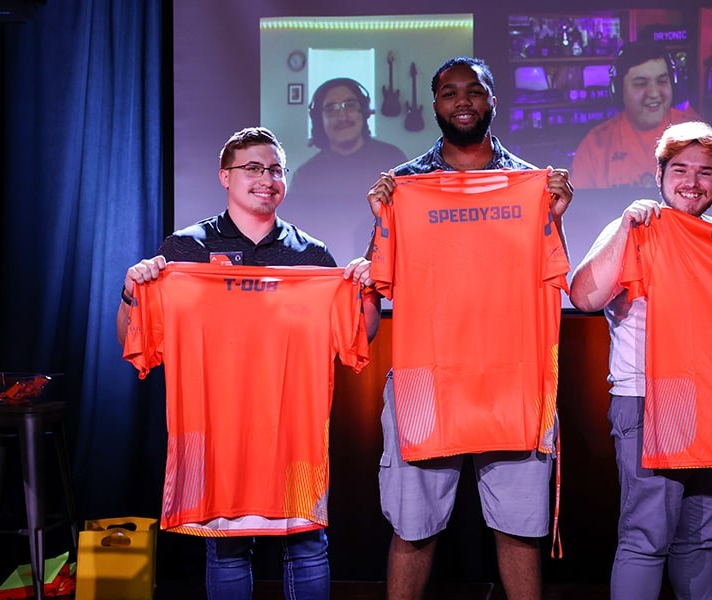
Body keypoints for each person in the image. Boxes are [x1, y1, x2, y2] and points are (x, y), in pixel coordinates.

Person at [116, 126, 381, 600]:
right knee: (227, 549)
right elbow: (135, 341)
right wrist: (132, 290)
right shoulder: (184, 250)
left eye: (277, 169)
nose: (267, 178)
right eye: (253, 168)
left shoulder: (313, 256)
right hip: (219, 432)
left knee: (307, 543)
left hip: (293, 434)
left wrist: (366, 289)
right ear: (225, 176)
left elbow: (358, 337)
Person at [364, 57, 574, 600]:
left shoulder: (533, 185)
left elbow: (555, 273)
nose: (463, 101)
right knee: (413, 527)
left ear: (492, 101)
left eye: (474, 91)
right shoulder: (405, 186)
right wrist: (381, 221)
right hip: (427, 377)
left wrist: (553, 215)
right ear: (433, 105)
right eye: (449, 92)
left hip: (513, 376)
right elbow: (379, 277)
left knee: (520, 528)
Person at [568, 121, 712, 599]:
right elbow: (583, 297)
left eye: (705, 172)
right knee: (647, 538)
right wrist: (625, 227)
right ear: (660, 174)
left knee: (703, 538)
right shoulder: (637, 228)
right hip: (648, 400)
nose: (692, 181)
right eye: (680, 169)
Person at [289, 78, 408, 252]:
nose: (342, 116)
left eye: (349, 105)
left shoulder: (392, 159)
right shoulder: (305, 175)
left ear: (364, 111)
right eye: (331, 109)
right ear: (319, 119)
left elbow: (409, 221)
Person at [571, 41, 706, 189]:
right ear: (619, 90)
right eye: (641, 84)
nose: (654, 94)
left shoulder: (701, 137)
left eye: (662, 81)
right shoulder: (595, 145)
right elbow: (579, 208)